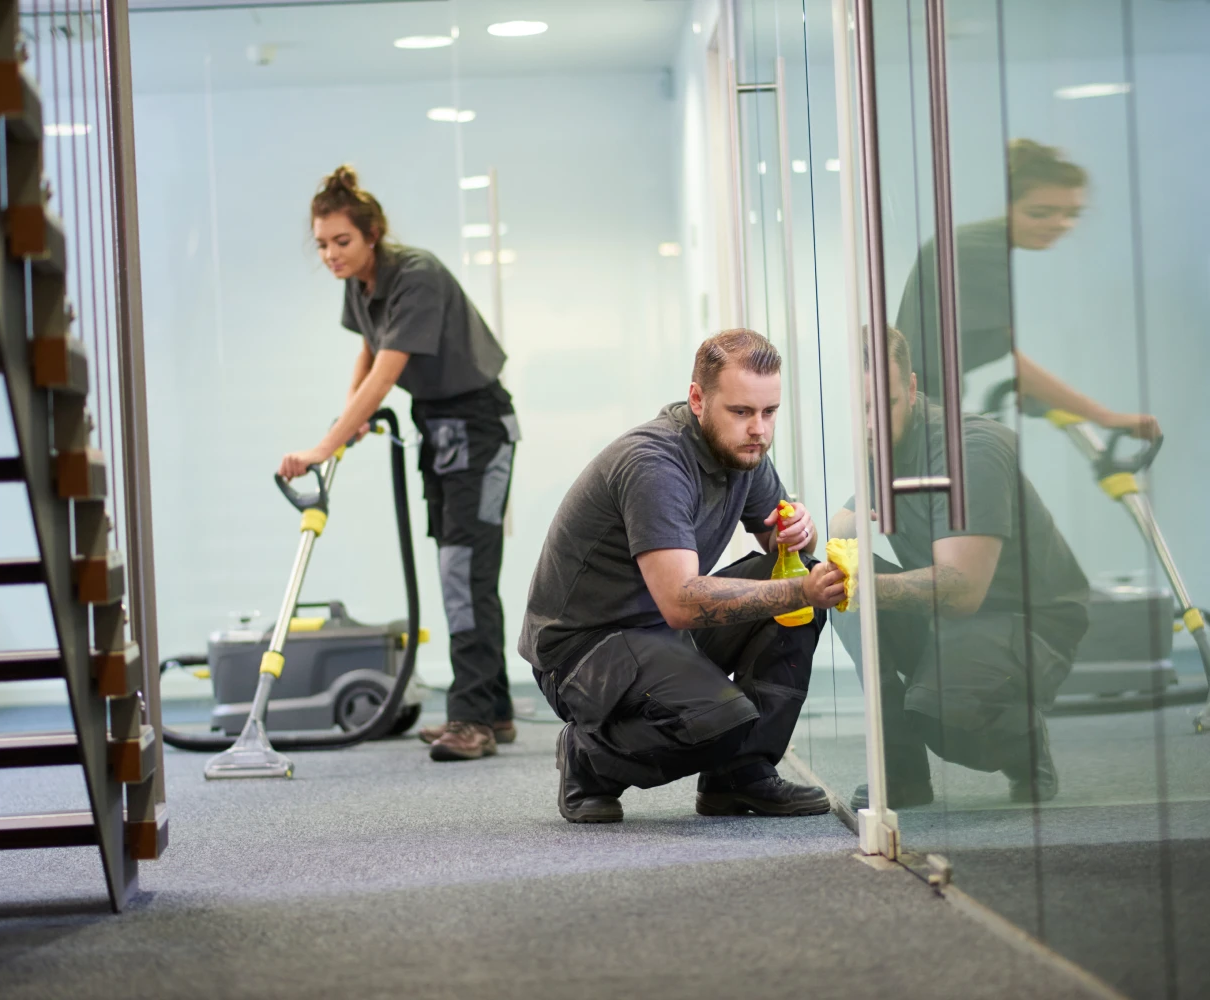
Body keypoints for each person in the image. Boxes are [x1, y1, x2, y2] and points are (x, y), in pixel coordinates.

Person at [518, 330, 846, 824]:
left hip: (657, 634)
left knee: (801, 593)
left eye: (769, 412)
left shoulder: (744, 449)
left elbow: (778, 550)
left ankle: (740, 777)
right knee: (723, 719)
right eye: (741, 412)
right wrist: (798, 587)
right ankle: (588, 758)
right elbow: (680, 601)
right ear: (698, 399)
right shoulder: (655, 463)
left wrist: (800, 534)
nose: (758, 429)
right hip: (583, 651)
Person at [279, 165, 520, 763]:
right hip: (439, 427)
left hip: (481, 428)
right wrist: (350, 417)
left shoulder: (417, 274)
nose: (331, 255)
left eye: (342, 242)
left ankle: (473, 720)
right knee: (457, 567)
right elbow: (367, 348)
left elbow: (388, 371)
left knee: (463, 571)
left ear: (373, 234)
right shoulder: (360, 283)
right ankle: (493, 710)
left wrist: (325, 444)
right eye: (323, 245)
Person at [829, 328, 1090, 808]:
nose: (870, 426)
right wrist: (835, 540)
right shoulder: (884, 442)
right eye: (859, 410)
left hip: (1027, 623)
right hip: (949, 618)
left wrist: (857, 584)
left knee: (941, 719)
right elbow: (844, 521)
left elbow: (964, 589)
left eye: (882, 405)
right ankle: (902, 777)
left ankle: (1025, 742)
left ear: (911, 388)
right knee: (844, 589)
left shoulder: (971, 451)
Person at [895, 138, 1160, 440]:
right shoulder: (975, 249)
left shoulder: (985, 244)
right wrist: (1105, 417)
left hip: (929, 409)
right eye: (1039, 213)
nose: (1059, 224)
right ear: (1008, 205)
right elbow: (1011, 358)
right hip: (919, 419)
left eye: (1071, 214)